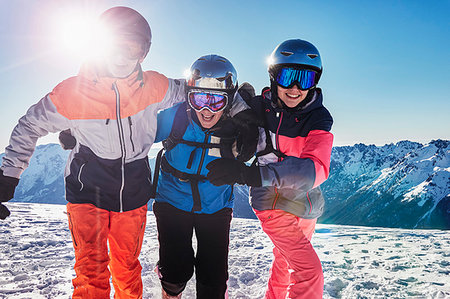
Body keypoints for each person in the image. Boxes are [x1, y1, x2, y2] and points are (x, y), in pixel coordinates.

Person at [0, 6, 255, 298]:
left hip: (133, 190)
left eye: (131, 46)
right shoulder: (74, 91)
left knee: (126, 269)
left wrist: (242, 110)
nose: (121, 55)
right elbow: (29, 124)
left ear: (143, 52)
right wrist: (9, 174)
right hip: (88, 186)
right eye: (114, 45)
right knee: (91, 271)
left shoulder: (156, 86)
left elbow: (204, 90)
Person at [207, 39, 334, 298]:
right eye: (288, 77)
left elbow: (316, 168)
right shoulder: (259, 107)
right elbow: (226, 107)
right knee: (309, 271)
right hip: (271, 201)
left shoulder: (319, 117)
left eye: (305, 79)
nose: (295, 88)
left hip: (307, 204)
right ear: (274, 77)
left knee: (286, 261)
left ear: (315, 83)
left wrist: (249, 174)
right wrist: (239, 100)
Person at [152, 54, 258, 299]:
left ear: (230, 102)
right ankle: (170, 286)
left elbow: (269, 143)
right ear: (189, 98)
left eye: (216, 102)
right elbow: (137, 129)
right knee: (175, 274)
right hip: (172, 201)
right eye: (199, 99)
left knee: (213, 281)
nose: (207, 110)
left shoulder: (237, 126)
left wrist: (250, 116)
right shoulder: (176, 117)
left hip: (216, 205)